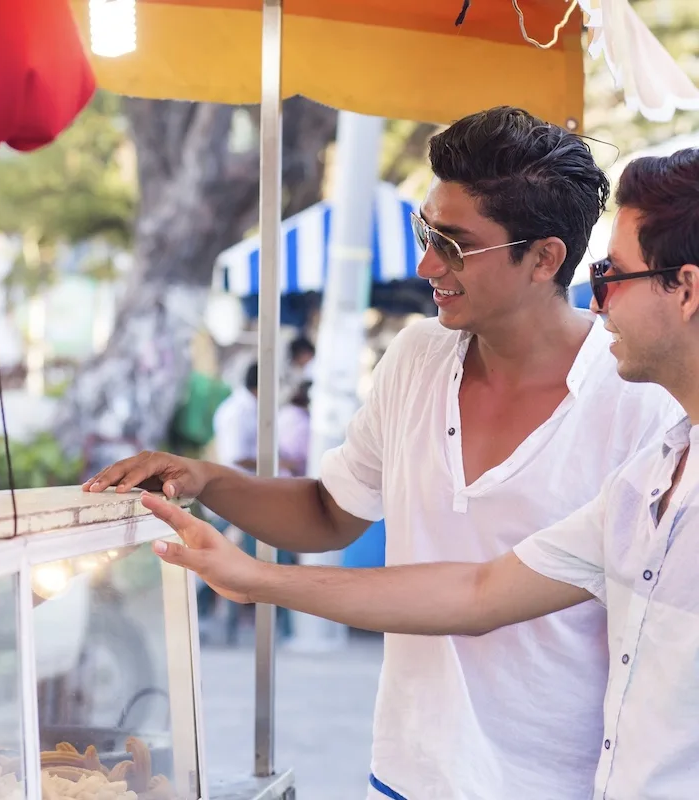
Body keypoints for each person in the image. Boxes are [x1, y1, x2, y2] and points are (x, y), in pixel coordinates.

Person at [84, 108, 682, 800]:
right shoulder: (417, 356)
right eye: (425, 232)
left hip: (563, 781)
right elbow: (330, 511)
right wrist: (206, 479)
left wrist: (255, 580)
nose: (427, 263)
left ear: (544, 258)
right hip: (407, 771)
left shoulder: (642, 397)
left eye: (455, 246)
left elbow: (482, 594)